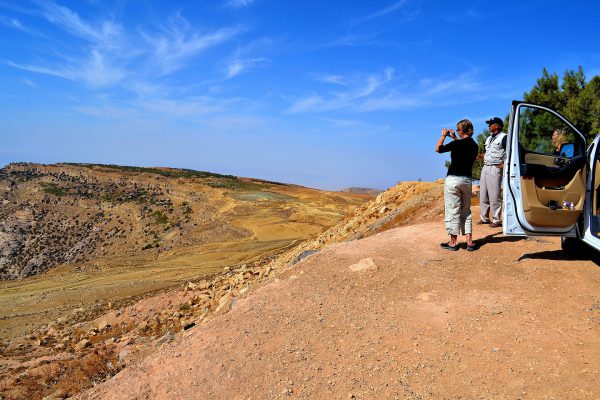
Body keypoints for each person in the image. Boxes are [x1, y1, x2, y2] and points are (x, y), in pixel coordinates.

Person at [435, 119, 479, 251]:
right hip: (466, 180)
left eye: (458, 130)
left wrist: (443, 135)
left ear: (461, 130)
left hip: (453, 179)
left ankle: (453, 242)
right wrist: (455, 138)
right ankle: (469, 242)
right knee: (466, 210)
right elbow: (463, 148)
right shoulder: (475, 145)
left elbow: (438, 149)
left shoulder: (457, 144)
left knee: (452, 210)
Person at [479, 117, 507, 228]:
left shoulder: (504, 137)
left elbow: (512, 151)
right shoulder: (489, 138)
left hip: (495, 168)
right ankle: (484, 218)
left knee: (494, 194)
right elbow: (487, 153)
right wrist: (478, 156)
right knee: (483, 194)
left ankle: (496, 220)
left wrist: (505, 164)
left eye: (491, 124)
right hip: (485, 167)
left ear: (497, 126)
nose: (489, 126)